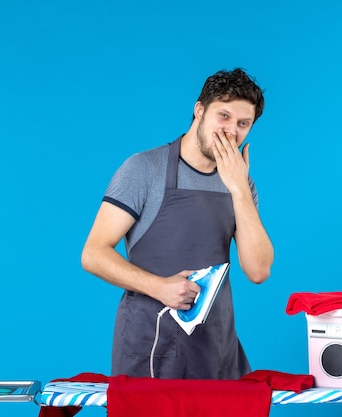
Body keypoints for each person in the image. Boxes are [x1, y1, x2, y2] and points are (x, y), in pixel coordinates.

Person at [81, 68, 274, 380]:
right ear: (199, 111)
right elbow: (93, 253)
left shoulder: (241, 184)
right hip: (151, 347)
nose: (231, 131)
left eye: (243, 123)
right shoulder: (144, 170)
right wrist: (159, 287)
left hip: (216, 349)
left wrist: (239, 189)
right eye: (223, 116)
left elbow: (258, 270)